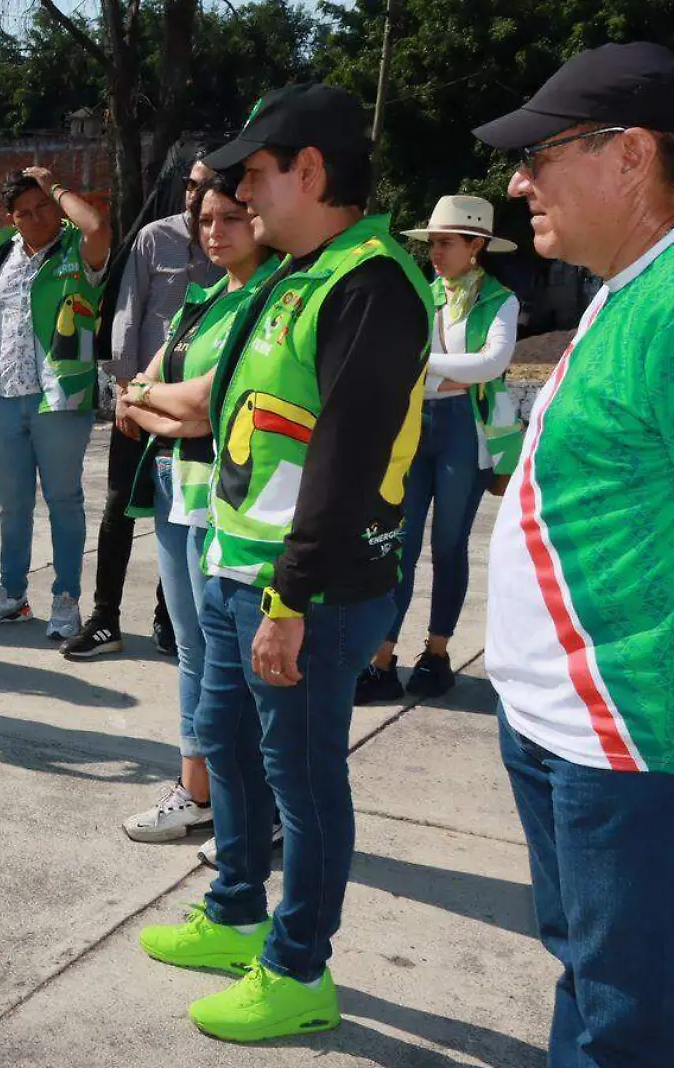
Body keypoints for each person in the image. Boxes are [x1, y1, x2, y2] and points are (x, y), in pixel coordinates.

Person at [135, 85, 431, 1043]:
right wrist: (147, 398)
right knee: (228, 748)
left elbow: (345, 460)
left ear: (311, 170)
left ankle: (300, 970)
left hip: (308, 590)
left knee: (304, 786)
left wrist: (290, 597)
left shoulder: (372, 282)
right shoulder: (293, 273)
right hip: (237, 568)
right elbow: (222, 402)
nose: (240, 193)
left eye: (255, 174)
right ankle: (234, 914)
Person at [475, 42, 674, 1067]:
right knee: (594, 982)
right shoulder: (634, 283)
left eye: (540, 152)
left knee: (634, 1021)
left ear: (627, 157)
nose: (518, 178)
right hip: (566, 729)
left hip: (635, 745)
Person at [115, 170, 277, 843]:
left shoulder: (266, 302)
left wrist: (152, 405)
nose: (215, 232)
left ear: (260, 220)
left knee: (234, 661)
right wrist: (155, 405)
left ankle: (255, 807)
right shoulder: (203, 301)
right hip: (179, 494)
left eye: (231, 218)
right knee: (193, 652)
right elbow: (147, 388)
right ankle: (198, 792)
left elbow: (205, 406)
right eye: (206, 221)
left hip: (228, 503)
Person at [357, 195, 521, 704]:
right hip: (415, 428)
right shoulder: (422, 294)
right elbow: (399, 355)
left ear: (477, 246)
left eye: (446, 243)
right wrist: (447, 373)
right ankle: (381, 658)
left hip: (463, 433)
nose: (435, 252)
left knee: (449, 546)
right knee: (396, 544)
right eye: (432, 242)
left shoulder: (501, 300)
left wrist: (428, 371)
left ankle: (437, 652)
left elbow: (493, 363)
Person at [62, 159, 224, 658]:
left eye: (207, 185)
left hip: (194, 413)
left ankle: (169, 620)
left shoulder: (234, 243)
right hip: (140, 401)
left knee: (183, 513)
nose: (197, 196)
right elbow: (127, 315)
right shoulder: (155, 238)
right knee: (119, 508)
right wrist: (122, 396)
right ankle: (105, 617)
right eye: (192, 185)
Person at [0, 167, 111, 640]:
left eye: (42, 206)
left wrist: (57, 186)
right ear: (12, 219)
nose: (36, 217)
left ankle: (66, 600)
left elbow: (98, 228)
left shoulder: (76, 252)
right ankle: (12, 595)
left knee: (64, 500)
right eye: (23, 212)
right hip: (2, 399)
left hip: (60, 398)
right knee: (12, 504)